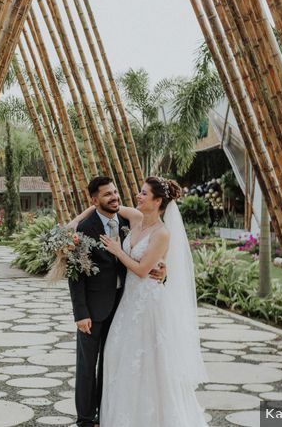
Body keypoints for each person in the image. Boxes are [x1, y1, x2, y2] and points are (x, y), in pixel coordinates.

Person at [100, 176, 208, 426]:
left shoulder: (162, 233)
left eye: (144, 193)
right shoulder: (136, 219)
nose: (137, 196)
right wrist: (74, 223)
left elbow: (142, 269)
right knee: (118, 356)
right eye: (139, 191)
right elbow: (102, 207)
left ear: (158, 201)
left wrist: (117, 251)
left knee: (150, 366)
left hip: (148, 306)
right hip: (128, 303)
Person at [65, 176, 167, 427]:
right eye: (107, 194)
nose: (114, 197)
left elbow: (146, 260)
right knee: (87, 366)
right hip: (93, 309)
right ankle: (86, 420)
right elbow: (75, 274)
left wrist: (164, 272)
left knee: (111, 363)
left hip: (124, 306)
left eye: (115, 192)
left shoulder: (128, 221)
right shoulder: (84, 229)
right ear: (94, 199)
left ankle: (105, 413)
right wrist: (80, 313)